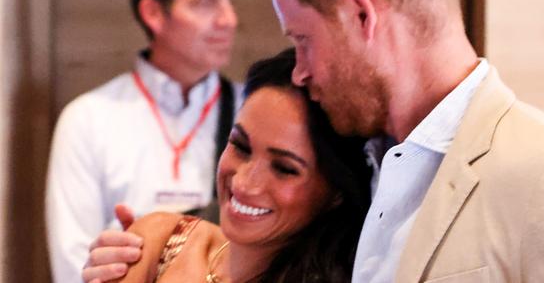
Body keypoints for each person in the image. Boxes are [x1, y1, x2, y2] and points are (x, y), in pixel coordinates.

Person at [83, 0, 544, 282]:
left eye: (302, 40)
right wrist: (178, 244)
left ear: (361, 14)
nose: (300, 72)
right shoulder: (366, 152)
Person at [46, 0, 244, 283]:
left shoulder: (252, 111)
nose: (228, 20)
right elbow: (72, 270)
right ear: (153, 12)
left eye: (229, 1)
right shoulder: (89, 118)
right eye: (206, 4)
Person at [101, 49, 371, 283]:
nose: (244, 182)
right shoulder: (162, 240)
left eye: (284, 168)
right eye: (240, 147)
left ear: (336, 191)